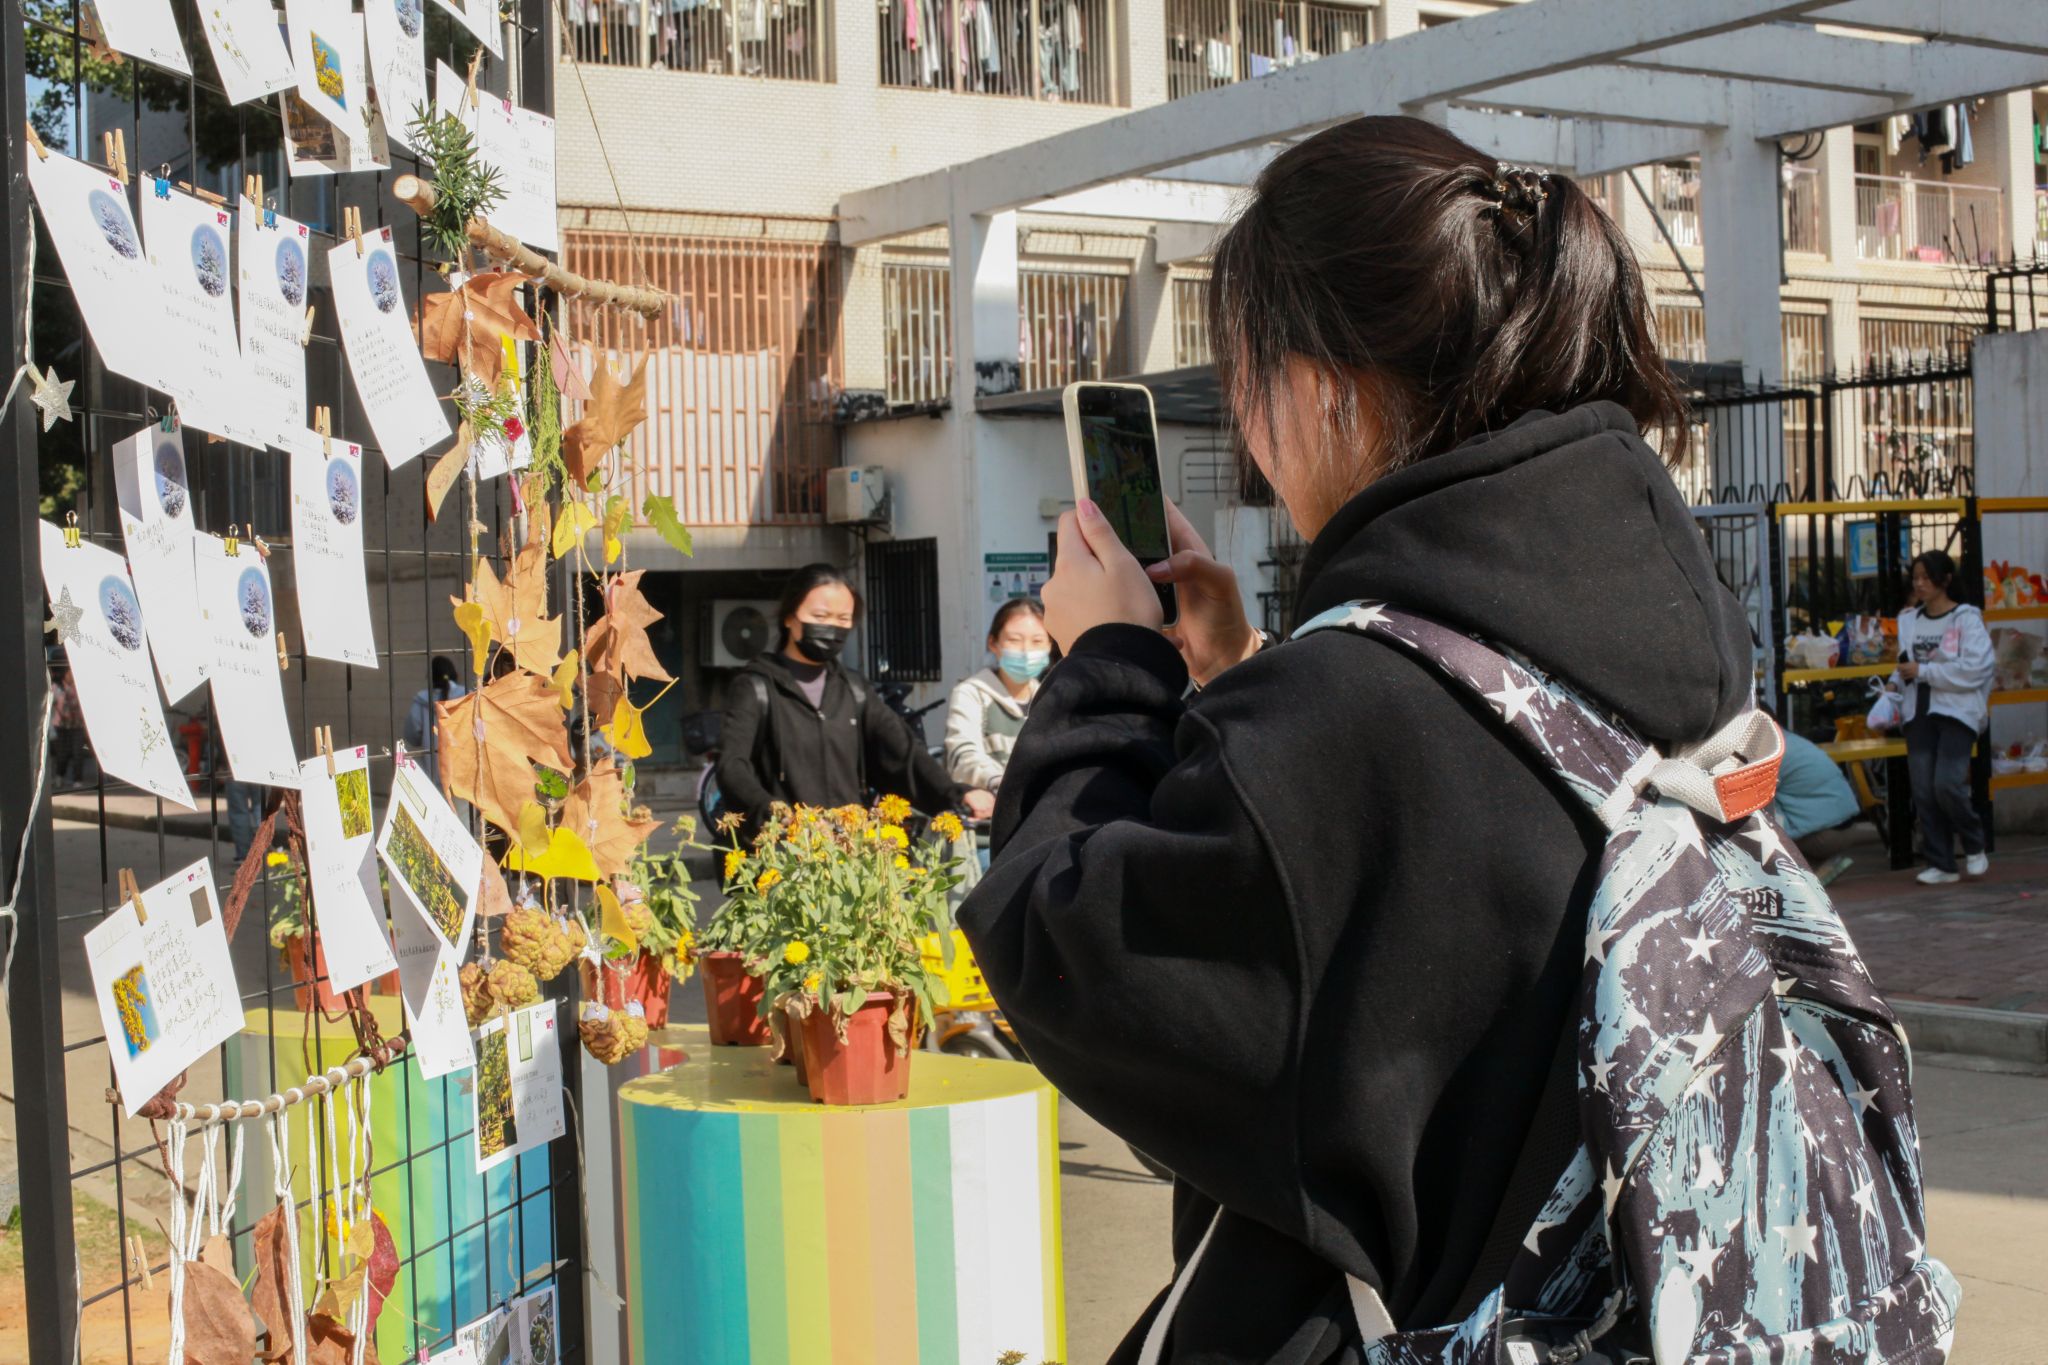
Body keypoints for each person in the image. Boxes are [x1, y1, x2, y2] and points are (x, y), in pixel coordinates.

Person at [959, 118, 1755, 1361]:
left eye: (1247, 374)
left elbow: (1071, 955)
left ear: (1322, 382)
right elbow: (1429, 874)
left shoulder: (1355, 708)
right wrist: (1244, 674)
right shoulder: (1656, 621)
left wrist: (1107, 662)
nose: (1247, 419)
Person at [716, 564, 995, 843]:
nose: (831, 627)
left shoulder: (854, 690)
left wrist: (956, 793)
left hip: (847, 852)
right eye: (820, 616)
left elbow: (903, 755)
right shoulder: (756, 686)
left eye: (843, 618)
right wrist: (774, 813)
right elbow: (733, 766)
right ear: (790, 616)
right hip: (784, 855)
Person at [1890, 550, 1994, 886]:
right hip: (1917, 711)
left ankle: (1974, 841)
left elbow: (1976, 669)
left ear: (1945, 580)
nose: (1919, 584)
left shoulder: (1966, 619)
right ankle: (1941, 863)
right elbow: (1904, 663)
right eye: (1915, 577)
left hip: (1956, 711)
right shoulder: (1909, 620)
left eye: (1926, 577)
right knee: (1923, 790)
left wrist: (1925, 671)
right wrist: (1894, 684)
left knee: (1947, 783)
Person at [944, 598, 1051, 794]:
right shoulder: (972, 693)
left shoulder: (1050, 698)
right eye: (1014, 640)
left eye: (1037, 641)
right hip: (992, 806)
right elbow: (963, 754)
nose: (1026, 651)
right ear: (993, 643)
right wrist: (998, 782)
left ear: (1050, 645)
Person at [1771, 731, 1861, 885]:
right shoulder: (1792, 741)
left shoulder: (1771, 750)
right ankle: (1818, 867)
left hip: (1825, 836)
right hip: (1848, 827)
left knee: (1755, 825)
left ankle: (1802, 876)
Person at [405, 656, 466, 786]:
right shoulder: (467, 696)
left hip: (433, 774)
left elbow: (412, 736)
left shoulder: (421, 700)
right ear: (453, 673)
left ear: (431, 677)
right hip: (463, 775)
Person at [49, 665, 88, 789]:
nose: (71, 675)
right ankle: (59, 776)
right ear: (64, 674)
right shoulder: (56, 688)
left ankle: (78, 779)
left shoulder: (79, 687)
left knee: (78, 752)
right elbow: (51, 705)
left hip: (77, 725)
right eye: (69, 672)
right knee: (62, 753)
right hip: (61, 726)